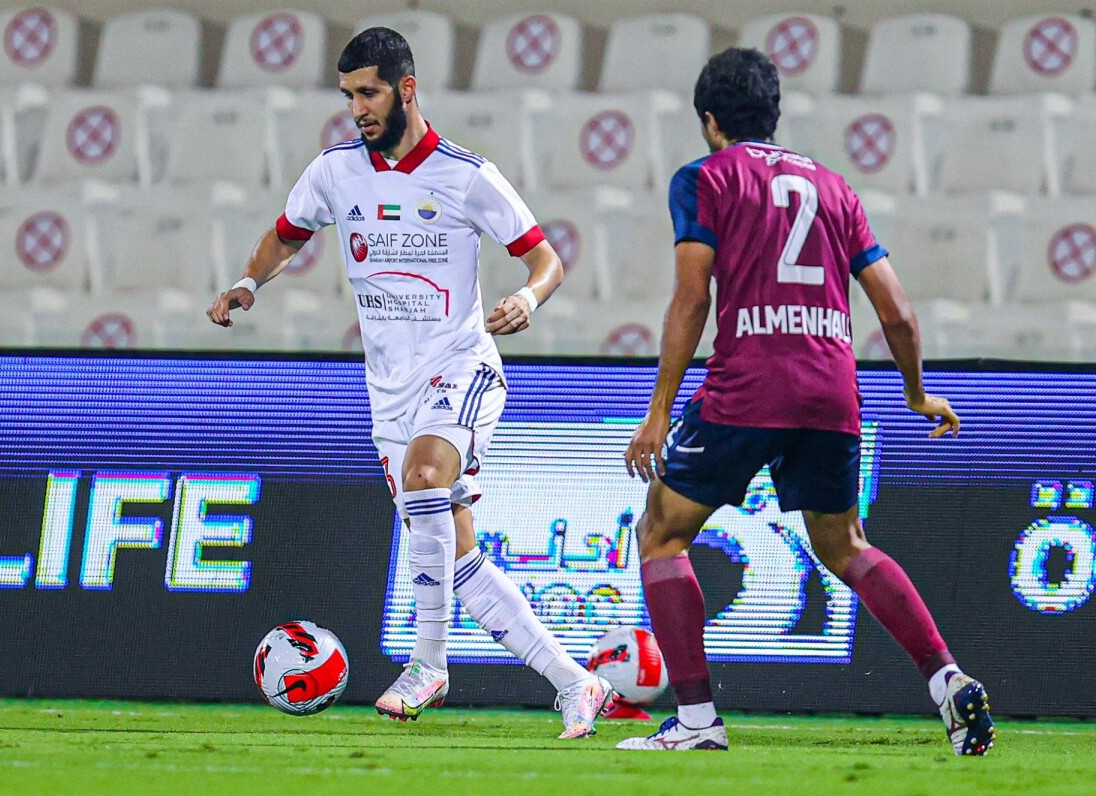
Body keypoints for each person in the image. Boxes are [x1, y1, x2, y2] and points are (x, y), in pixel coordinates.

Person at [207, 27, 612, 738]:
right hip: (389, 392)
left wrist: (528, 298)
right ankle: (577, 683)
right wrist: (249, 282)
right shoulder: (335, 171)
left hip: (461, 365)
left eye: (368, 93)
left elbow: (545, 259)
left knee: (426, 477)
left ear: (407, 89)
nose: (357, 108)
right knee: (457, 556)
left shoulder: (466, 175)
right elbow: (286, 235)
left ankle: (428, 664)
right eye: (348, 95)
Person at [617, 48, 995, 756]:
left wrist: (659, 410)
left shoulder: (705, 178)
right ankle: (946, 678)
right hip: (831, 389)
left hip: (747, 386)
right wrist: (916, 393)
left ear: (710, 121)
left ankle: (697, 720)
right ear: (774, 113)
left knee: (662, 532)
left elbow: (693, 297)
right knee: (844, 544)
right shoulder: (835, 187)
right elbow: (898, 312)